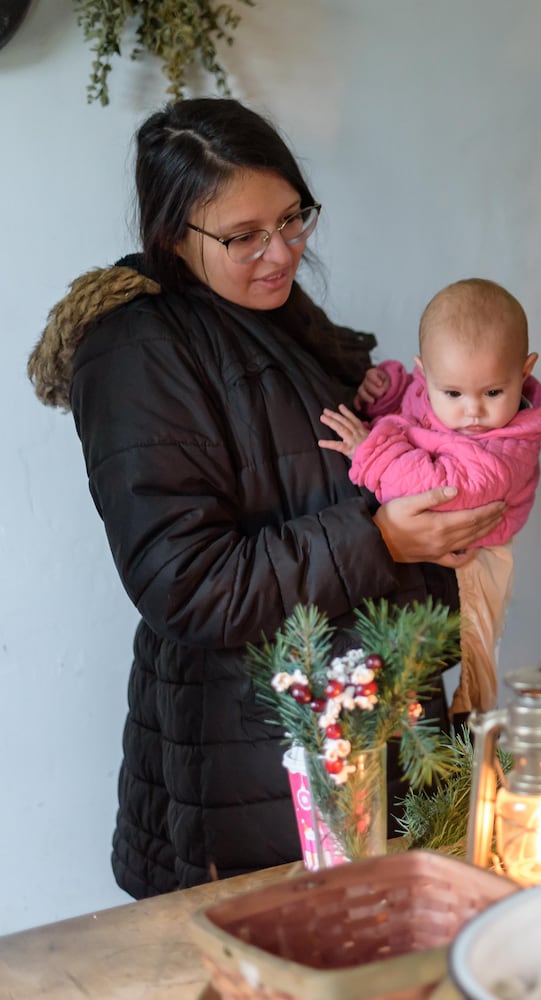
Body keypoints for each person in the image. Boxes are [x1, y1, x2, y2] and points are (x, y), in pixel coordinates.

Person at [25, 99, 504, 898]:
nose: (280, 253)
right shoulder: (138, 353)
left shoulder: (282, 323)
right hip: (250, 770)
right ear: (174, 234)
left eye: (293, 219)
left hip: (362, 735)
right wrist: (380, 540)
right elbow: (186, 583)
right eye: (243, 236)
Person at [319, 278, 541, 716]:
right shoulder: (435, 391)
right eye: (452, 393)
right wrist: (385, 391)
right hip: (426, 556)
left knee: (473, 667)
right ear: (425, 373)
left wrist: (367, 449)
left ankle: (474, 737)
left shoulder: (503, 453)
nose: (472, 412)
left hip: (476, 564)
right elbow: (411, 409)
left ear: (524, 372)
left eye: (492, 393)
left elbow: (432, 492)